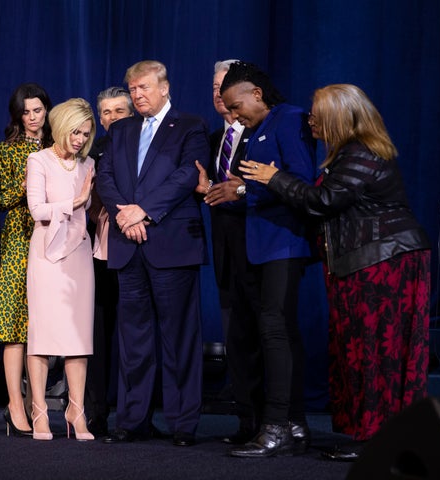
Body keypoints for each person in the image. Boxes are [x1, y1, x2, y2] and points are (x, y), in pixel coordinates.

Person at [240, 83, 431, 461]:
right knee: (361, 348)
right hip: (365, 260)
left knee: (379, 350)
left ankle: (381, 438)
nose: (310, 120)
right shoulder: (348, 153)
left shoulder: (362, 152)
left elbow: (325, 202)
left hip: (385, 262)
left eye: (317, 115)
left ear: (339, 119)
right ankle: (372, 434)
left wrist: (272, 178)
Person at [97, 60, 210, 447]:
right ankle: (132, 420)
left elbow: (187, 176)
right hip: (129, 245)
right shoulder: (121, 129)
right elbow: (106, 178)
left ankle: (182, 424)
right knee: (133, 340)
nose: (137, 94)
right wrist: (125, 216)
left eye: (144, 87)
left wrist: (142, 211)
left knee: (178, 338)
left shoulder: (191, 126)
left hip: (171, 243)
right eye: (132, 89)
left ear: (164, 88)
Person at [214, 62, 316, 458]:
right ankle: (294, 424)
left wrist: (244, 190)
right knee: (279, 332)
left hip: (284, 243)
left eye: (237, 107)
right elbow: (254, 185)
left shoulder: (289, 119)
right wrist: (234, 190)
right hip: (261, 244)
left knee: (275, 332)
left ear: (257, 93)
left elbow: (301, 180)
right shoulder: (257, 131)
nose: (234, 116)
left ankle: (274, 427)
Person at [194, 60, 265, 445]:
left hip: (260, 249)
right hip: (224, 254)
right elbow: (212, 195)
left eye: (225, 86)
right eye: (214, 87)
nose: (219, 95)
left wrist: (238, 192)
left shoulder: (262, 131)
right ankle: (247, 421)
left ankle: (275, 420)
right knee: (236, 338)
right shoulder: (210, 140)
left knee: (265, 336)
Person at [25, 98, 96, 441]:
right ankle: (39, 411)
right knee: (42, 336)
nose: (80, 139)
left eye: (85, 133)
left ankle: (76, 412)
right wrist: (75, 202)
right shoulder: (38, 160)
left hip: (79, 253)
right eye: (75, 131)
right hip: (46, 254)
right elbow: (36, 208)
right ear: (60, 127)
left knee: (78, 336)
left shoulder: (89, 164)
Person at [0, 83, 53, 437]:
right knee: (15, 327)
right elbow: (1, 197)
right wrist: (30, 180)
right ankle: (14, 404)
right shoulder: (7, 149)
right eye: (25, 112)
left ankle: (35, 402)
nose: (31, 118)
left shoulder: (56, 147)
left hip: (52, 240)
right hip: (16, 240)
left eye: (37, 111)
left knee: (44, 327)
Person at [84, 86, 134, 436]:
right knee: (97, 339)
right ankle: (96, 414)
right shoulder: (92, 151)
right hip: (99, 254)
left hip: (135, 251)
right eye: (106, 113)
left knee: (133, 338)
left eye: (119, 111)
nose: (111, 118)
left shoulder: (145, 147)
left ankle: (133, 416)